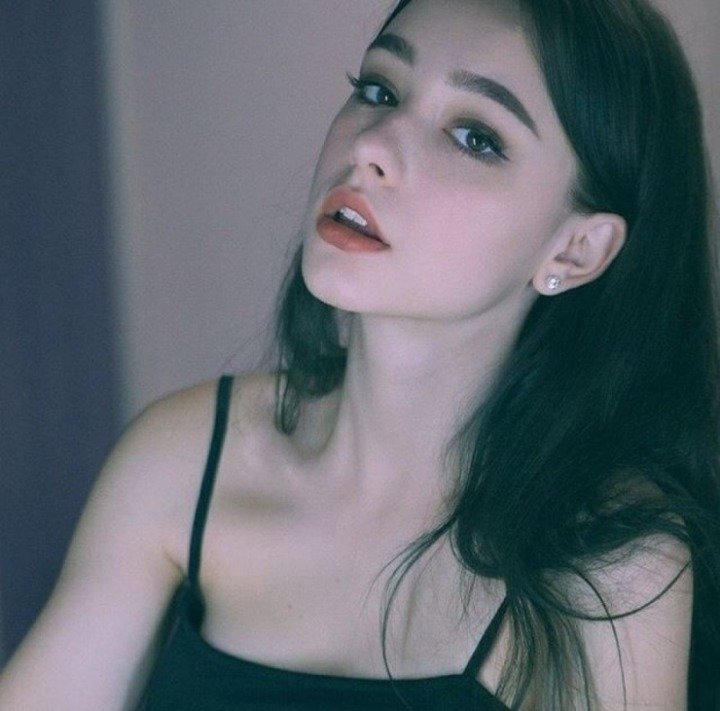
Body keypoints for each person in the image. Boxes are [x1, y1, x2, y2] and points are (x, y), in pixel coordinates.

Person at [1, 0, 718, 708]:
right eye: (379, 90)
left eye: (474, 136)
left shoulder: (612, 560)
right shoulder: (186, 458)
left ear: (575, 249)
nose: (372, 145)